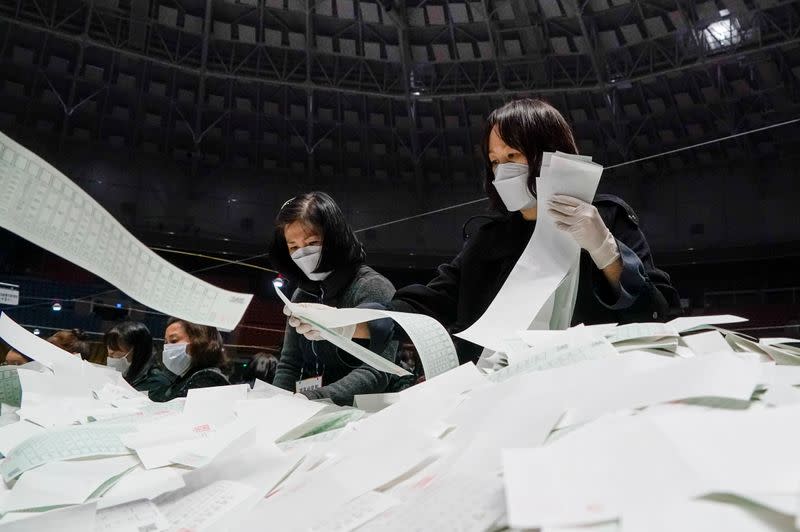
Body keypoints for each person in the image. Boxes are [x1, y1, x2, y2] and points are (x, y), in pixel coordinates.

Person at [286, 99, 680, 365]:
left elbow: (658, 309)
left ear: (549, 153)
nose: (502, 170)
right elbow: (428, 303)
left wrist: (607, 252)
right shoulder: (488, 237)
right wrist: (348, 320)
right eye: (494, 160)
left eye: (513, 155)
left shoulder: (606, 217)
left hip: (593, 381)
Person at [270, 192, 401, 406]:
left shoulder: (373, 287)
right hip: (312, 409)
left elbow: (377, 371)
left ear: (335, 238)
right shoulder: (301, 294)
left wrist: (312, 398)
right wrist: (277, 404)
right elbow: (289, 363)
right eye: (293, 247)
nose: (302, 253)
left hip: (367, 414)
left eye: (312, 242)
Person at [149, 317, 230, 402]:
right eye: (165, 342)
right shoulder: (183, 377)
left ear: (200, 342)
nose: (167, 348)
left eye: (174, 340)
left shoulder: (208, 379)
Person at [104, 321, 172, 393]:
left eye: (116, 350)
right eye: (109, 353)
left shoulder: (157, 383)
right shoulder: (119, 376)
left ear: (137, 351)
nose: (110, 357)